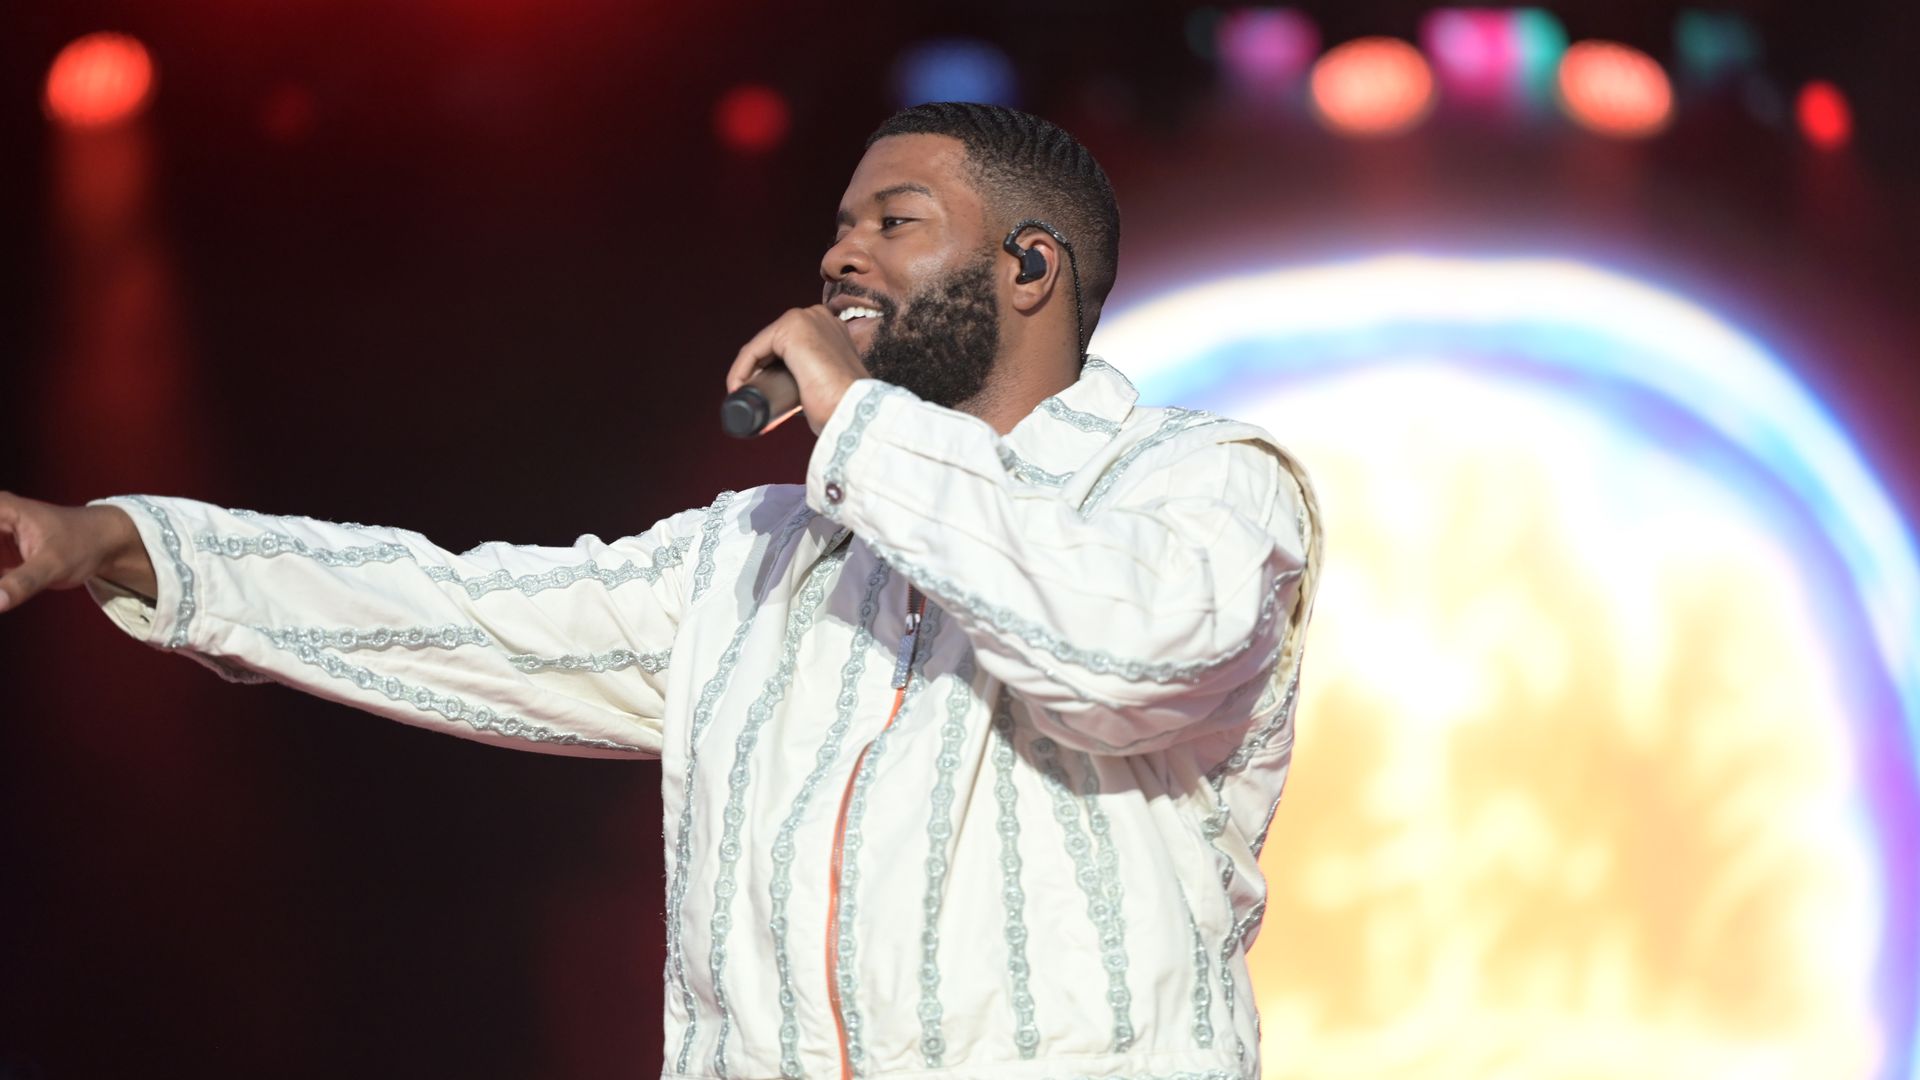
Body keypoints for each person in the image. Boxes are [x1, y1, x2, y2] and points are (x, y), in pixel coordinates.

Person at [0, 102, 1320, 1080]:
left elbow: (1130, 658)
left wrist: (860, 425)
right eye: (838, 227)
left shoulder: (1195, 485)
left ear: (1030, 268)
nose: (841, 258)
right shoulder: (763, 553)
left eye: (894, 223)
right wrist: (114, 541)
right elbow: (459, 610)